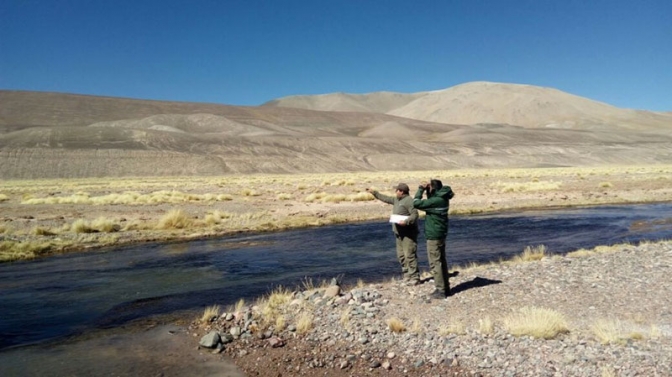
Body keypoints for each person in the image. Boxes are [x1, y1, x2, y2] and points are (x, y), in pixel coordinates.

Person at [366, 183, 420, 285]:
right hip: (398, 232)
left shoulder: (409, 201)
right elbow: (385, 198)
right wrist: (374, 193)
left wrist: (406, 222)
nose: (395, 192)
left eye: (397, 190)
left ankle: (415, 277)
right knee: (401, 256)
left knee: (410, 255)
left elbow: (415, 214)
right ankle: (407, 275)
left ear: (402, 191)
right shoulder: (396, 199)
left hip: (408, 234)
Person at [413, 179, 455, 299]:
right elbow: (431, 199)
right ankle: (446, 288)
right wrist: (429, 190)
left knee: (435, 262)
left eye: (429, 187)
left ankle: (440, 290)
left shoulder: (436, 201)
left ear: (433, 188)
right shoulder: (443, 197)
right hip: (441, 233)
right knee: (442, 260)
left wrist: (421, 189)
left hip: (434, 235)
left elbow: (416, 203)